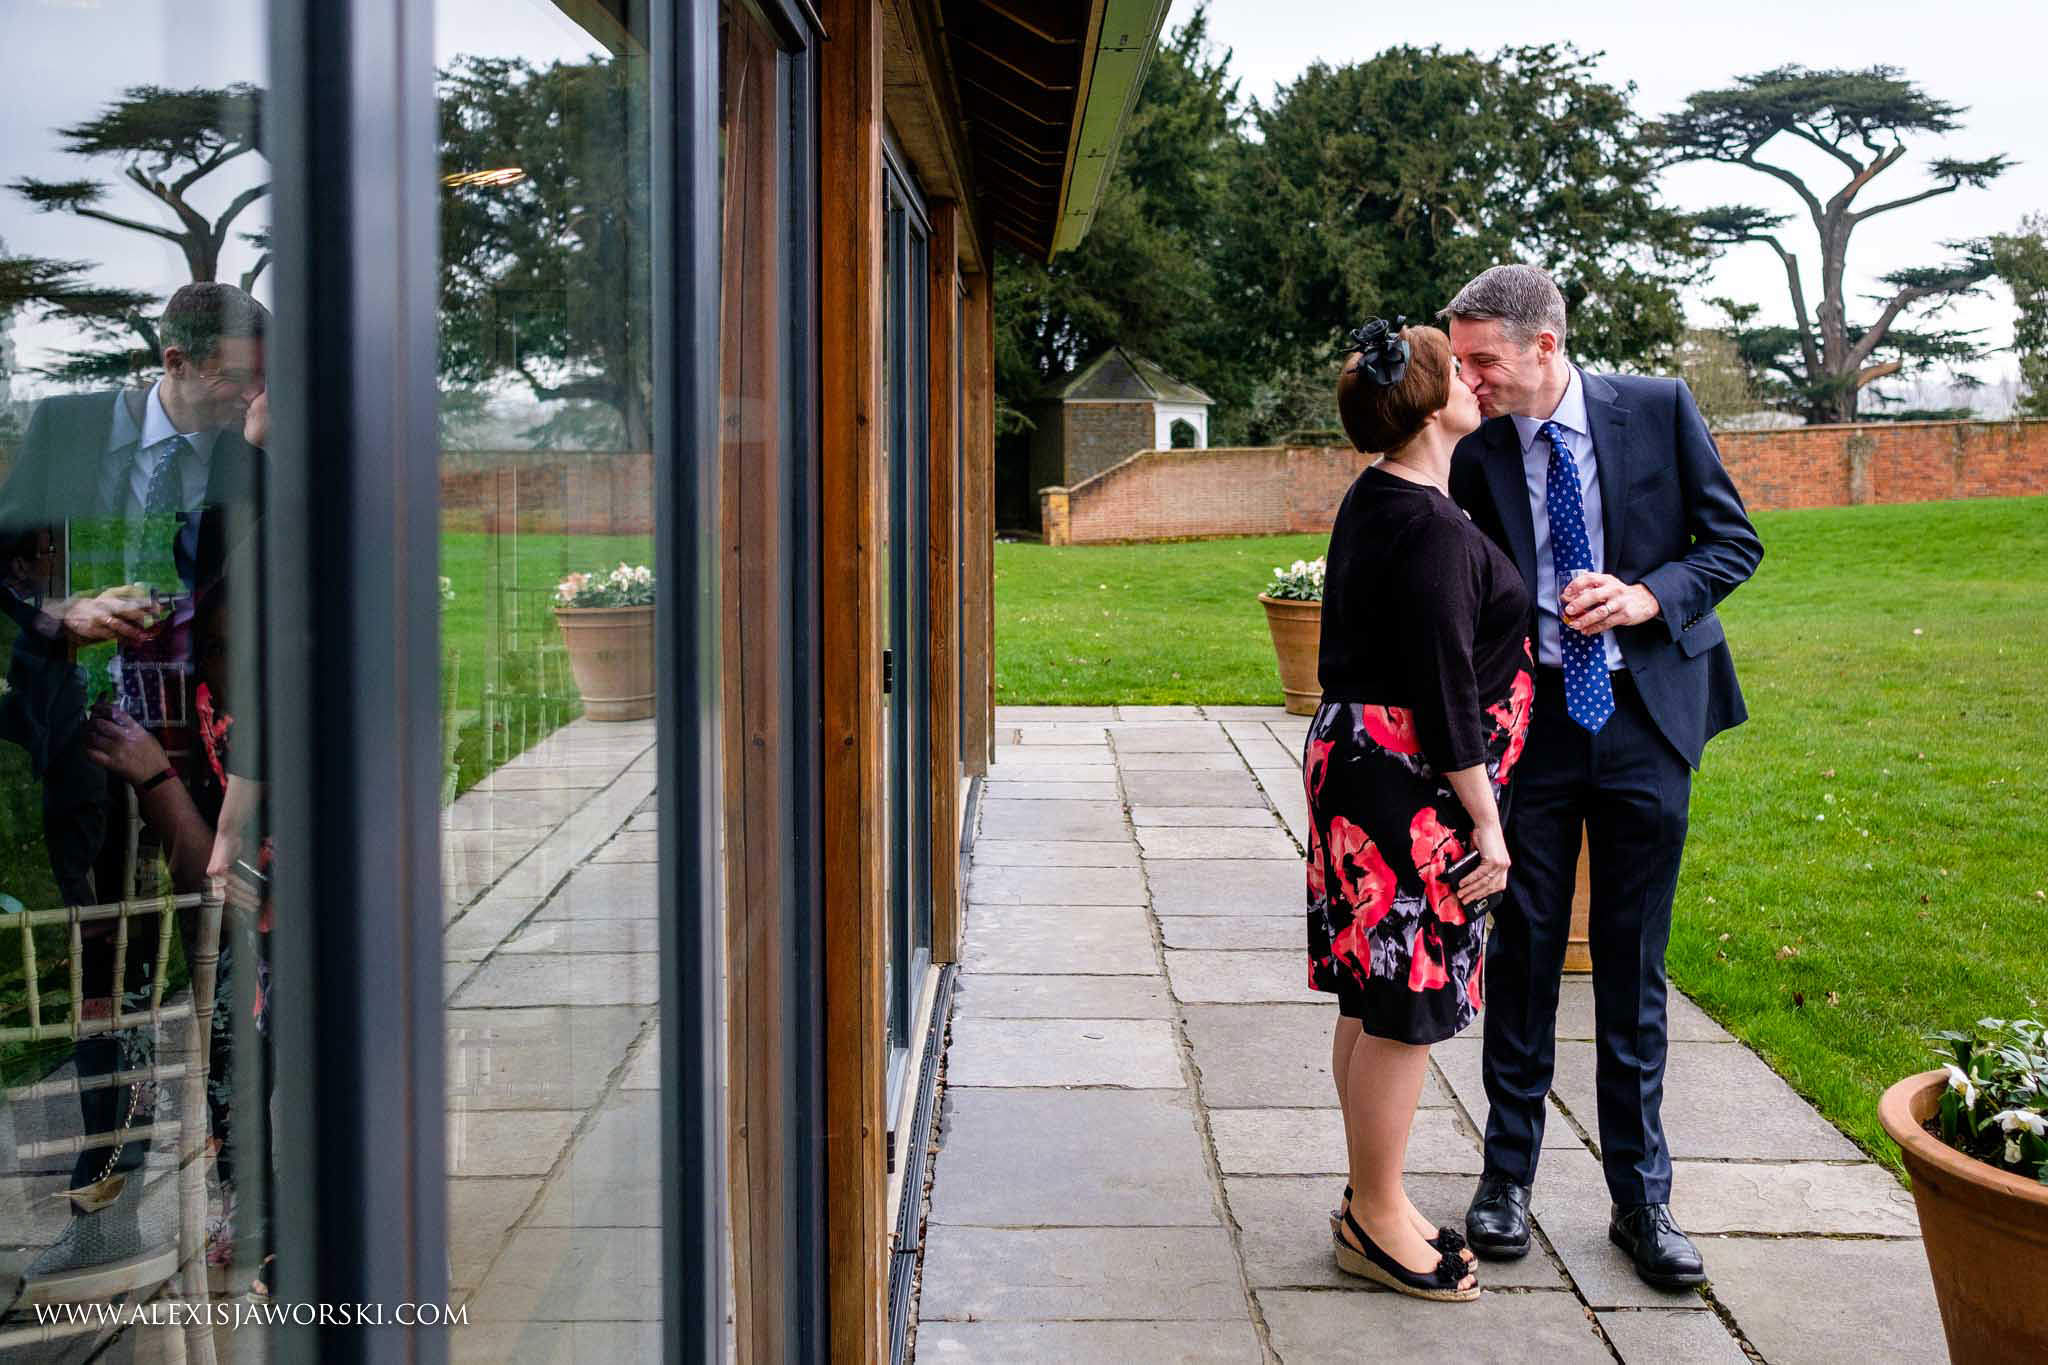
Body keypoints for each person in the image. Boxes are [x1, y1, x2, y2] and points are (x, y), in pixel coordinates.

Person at [1443, 265, 1762, 1289]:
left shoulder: (1658, 409)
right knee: (1524, 950)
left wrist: (1640, 598)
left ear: (1542, 347)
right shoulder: (1478, 447)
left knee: (1628, 962)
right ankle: (1503, 1184)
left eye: (1480, 358)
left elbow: (1731, 544)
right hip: (1530, 728)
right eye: (1458, 360)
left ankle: (1640, 1199)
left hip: (1643, 721)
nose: (1468, 376)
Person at [0, 281, 267, 1285]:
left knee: (233, 974)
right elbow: (5, 570)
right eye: (235, 382)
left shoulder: (253, 449)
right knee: (104, 991)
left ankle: (241, 1197)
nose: (251, 400)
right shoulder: (67, 429)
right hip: (88, 751)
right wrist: (58, 615)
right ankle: (101, 1210)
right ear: (176, 365)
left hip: (209, 757)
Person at [1304, 318, 1535, 1304]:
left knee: (1373, 993)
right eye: (1461, 374)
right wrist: (1485, 824)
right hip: (1410, 786)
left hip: (1361, 766)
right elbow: (1444, 694)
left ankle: (1371, 1200)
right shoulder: (1433, 529)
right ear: (1433, 405)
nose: (1477, 384)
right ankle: (1378, 1213)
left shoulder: (1381, 496)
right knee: (1401, 1005)